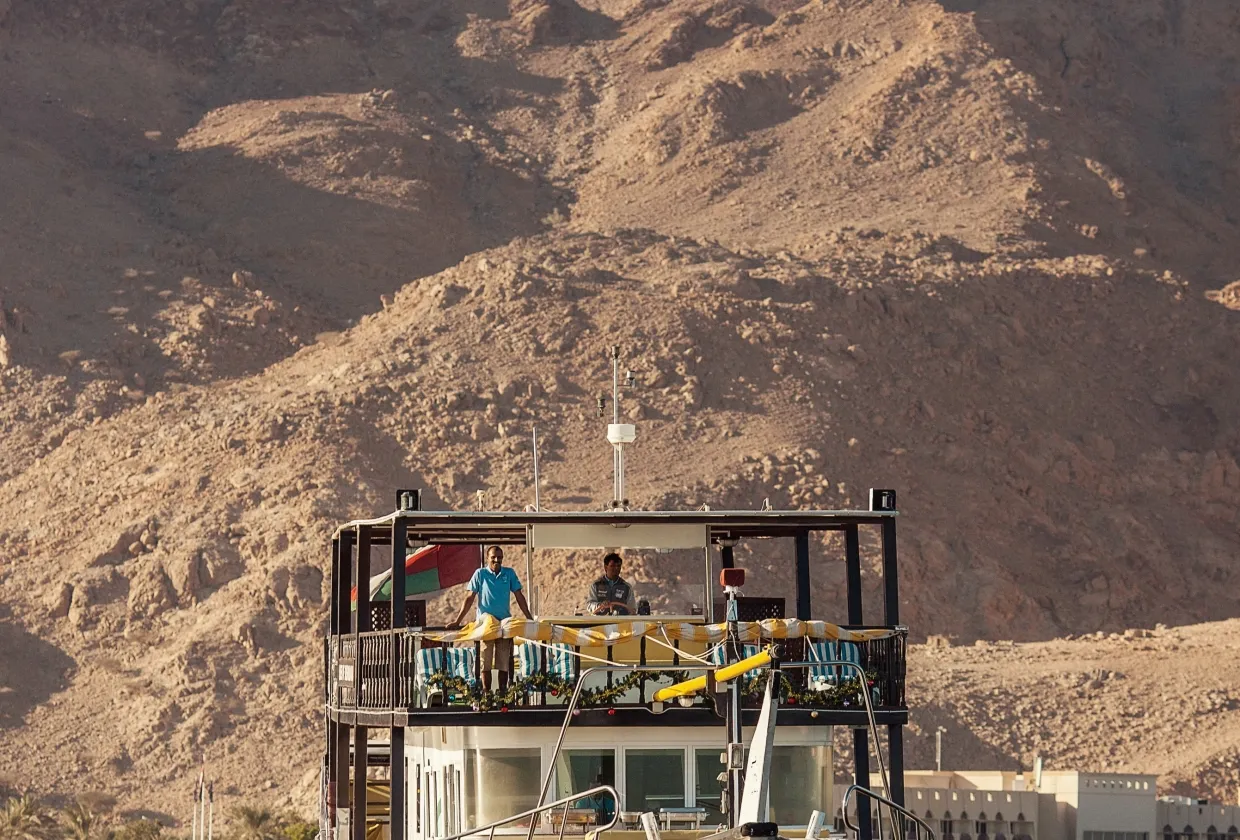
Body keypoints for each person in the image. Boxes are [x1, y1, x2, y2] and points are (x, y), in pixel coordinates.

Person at [448, 546, 533, 692]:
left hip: (503, 626)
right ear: (488, 558)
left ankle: (502, 694)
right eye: (493, 557)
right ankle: (487, 694)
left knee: (503, 662)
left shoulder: (509, 573)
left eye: (499, 557)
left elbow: (519, 596)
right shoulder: (480, 574)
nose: (496, 560)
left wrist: (529, 618)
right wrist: (457, 620)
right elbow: (469, 598)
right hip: (486, 625)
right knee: (484, 662)